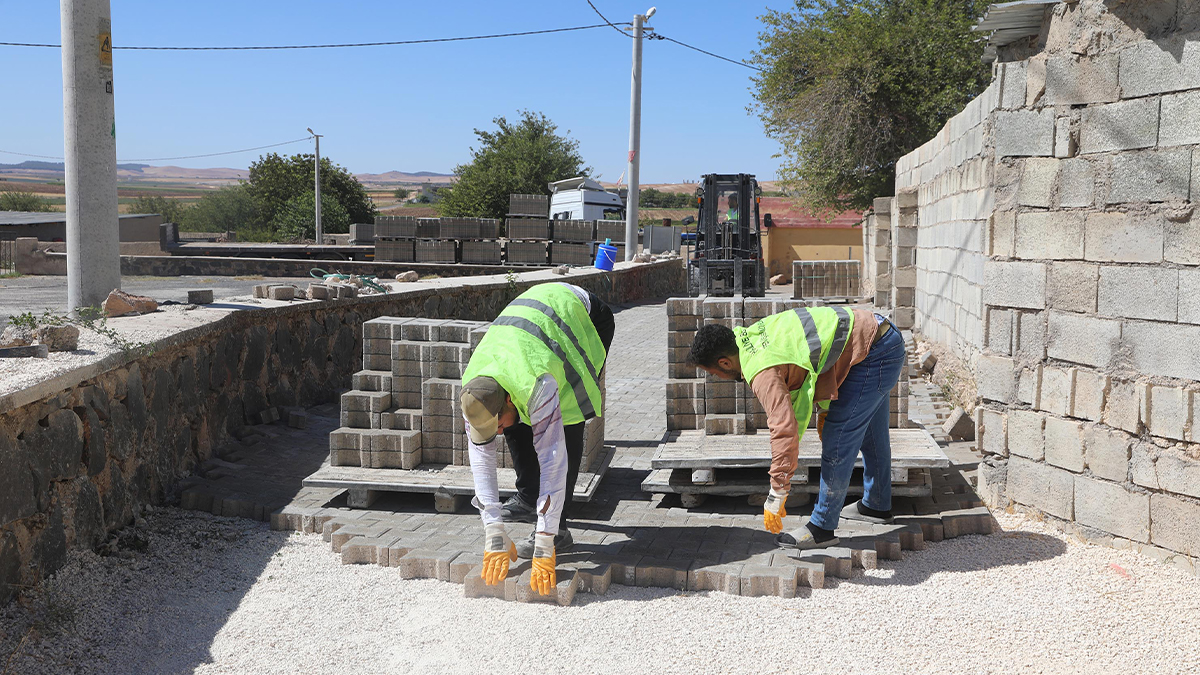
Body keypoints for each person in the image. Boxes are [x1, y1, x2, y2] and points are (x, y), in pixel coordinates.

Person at [685, 306, 905, 549]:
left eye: (714, 373)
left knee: (838, 437)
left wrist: (777, 491)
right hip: (878, 335)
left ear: (725, 362)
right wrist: (824, 407)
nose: (716, 377)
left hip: (873, 353)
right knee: (872, 433)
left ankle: (822, 527)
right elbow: (812, 358)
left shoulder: (761, 370)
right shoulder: (751, 335)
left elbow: (783, 428)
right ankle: (876, 505)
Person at [461, 282, 614, 594]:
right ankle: (531, 498)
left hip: (584, 317)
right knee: (514, 423)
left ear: (505, 399)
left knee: (566, 420)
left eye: (496, 425)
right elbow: (481, 458)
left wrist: (543, 542)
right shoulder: (473, 389)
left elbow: (553, 458)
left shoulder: (536, 384)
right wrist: (493, 530)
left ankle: (558, 529)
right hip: (532, 333)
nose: (496, 433)